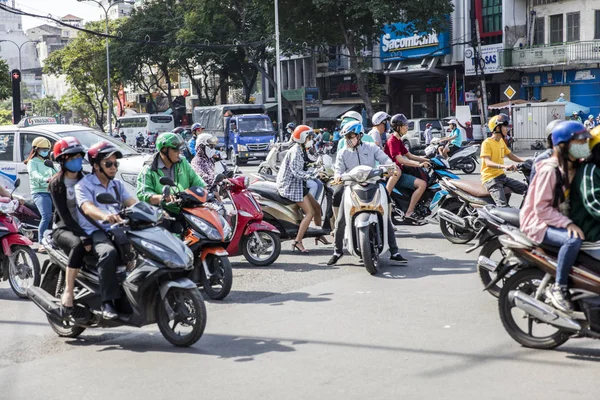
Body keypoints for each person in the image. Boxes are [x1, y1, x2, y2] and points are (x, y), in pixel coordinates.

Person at [520, 121, 590, 312]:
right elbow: (541, 208)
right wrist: (568, 224)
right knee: (573, 241)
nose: (584, 147)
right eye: (579, 143)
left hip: (553, 218)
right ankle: (560, 287)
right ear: (563, 145)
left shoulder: (574, 166)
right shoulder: (550, 170)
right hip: (537, 222)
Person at [327, 120, 406, 265]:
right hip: (351, 187)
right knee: (341, 220)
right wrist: (338, 176)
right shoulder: (342, 152)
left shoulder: (371, 148)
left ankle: (394, 251)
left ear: (360, 135)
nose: (348, 140)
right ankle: (337, 251)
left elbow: (386, 160)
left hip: (373, 184)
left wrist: (390, 167)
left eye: (351, 136)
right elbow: (338, 169)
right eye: (346, 137)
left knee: (385, 215)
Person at [76, 142, 138, 320]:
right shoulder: (83, 185)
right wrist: (104, 216)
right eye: (108, 164)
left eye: (115, 164)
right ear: (96, 166)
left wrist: (153, 212)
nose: (113, 168)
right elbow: (87, 208)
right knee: (108, 253)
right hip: (97, 230)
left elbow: (132, 202)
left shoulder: (117, 185)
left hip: (118, 228)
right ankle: (107, 302)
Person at [49, 137, 89, 312]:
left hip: (86, 227)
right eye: (71, 157)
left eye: (79, 156)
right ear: (62, 160)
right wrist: (83, 234)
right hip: (64, 228)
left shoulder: (87, 179)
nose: (76, 160)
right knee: (78, 245)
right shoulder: (56, 184)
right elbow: (64, 215)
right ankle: (68, 291)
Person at [276, 125, 326, 253]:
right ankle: (298, 241)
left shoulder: (303, 148)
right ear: (303, 138)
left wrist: (318, 168)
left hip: (298, 183)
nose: (311, 139)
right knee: (309, 213)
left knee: (317, 208)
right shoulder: (295, 151)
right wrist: (315, 174)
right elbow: (297, 173)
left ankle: (318, 234)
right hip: (291, 185)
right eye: (309, 137)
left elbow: (307, 164)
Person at [137, 132, 205, 217]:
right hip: (164, 214)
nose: (179, 153)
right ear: (164, 150)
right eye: (175, 150)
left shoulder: (182, 162)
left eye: (179, 150)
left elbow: (197, 182)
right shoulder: (149, 170)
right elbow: (143, 194)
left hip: (187, 210)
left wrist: (206, 192)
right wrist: (162, 198)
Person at [384, 114, 431, 222]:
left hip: (399, 172)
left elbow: (410, 155)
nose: (407, 127)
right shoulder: (392, 141)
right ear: (398, 127)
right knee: (422, 184)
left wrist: (426, 159)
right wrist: (418, 164)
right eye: (405, 125)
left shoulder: (398, 140)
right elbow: (400, 160)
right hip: (394, 173)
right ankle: (409, 212)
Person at [480, 113, 527, 207]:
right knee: (503, 206)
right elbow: (487, 162)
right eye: (505, 126)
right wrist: (505, 166)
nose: (507, 128)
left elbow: (511, 155)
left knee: (528, 190)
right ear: (497, 128)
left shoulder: (501, 141)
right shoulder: (487, 143)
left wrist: (526, 161)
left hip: (502, 177)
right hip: (491, 179)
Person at [25, 137, 54, 253]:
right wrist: (45, 179)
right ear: (36, 149)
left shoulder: (47, 162)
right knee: (46, 216)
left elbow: (56, 172)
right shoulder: (32, 162)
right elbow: (34, 175)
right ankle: (42, 242)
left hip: (51, 191)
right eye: (43, 149)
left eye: (47, 149)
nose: (45, 151)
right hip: (40, 192)